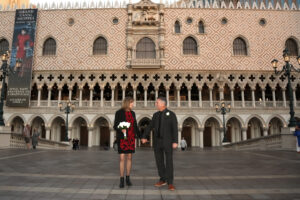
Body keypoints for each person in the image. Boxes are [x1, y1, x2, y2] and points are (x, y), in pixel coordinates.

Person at [141, 96, 178, 191]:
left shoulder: (171, 114)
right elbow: (150, 126)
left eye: (157, 102)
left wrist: (175, 141)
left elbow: (174, 129)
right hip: (157, 142)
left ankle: (170, 182)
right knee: (159, 162)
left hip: (168, 142)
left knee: (169, 162)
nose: (155, 104)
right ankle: (163, 179)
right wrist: (144, 136)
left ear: (162, 103)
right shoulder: (155, 115)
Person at [113, 97, 140, 188]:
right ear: (127, 103)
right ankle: (121, 179)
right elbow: (115, 125)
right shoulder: (119, 112)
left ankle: (128, 178)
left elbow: (135, 126)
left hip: (131, 138)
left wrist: (141, 137)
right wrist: (121, 129)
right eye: (132, 103)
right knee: (121, 158)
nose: (133, 104)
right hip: (123, 138)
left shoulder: (133, 113)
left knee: (129, 158)